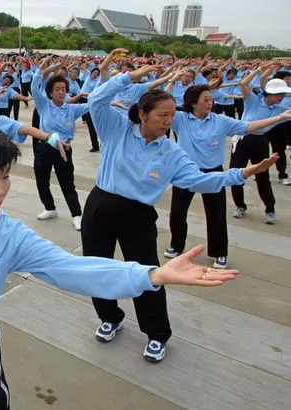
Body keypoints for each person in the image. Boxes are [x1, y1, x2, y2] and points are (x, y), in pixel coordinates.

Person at [0, 60, 239, 410]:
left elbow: (72, 269)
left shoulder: (10, 236)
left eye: (5, 177)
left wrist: (151, 275)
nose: (1, 190)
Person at [82, 60, 278, 363]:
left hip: (138, 216)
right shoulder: (117, 129)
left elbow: (202, 180)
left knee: (149, 276)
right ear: (143, 114)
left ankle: (157, 333)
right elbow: (96, 99)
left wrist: (242, 173)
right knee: (98, 268)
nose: (168, 121)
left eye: (172, 116)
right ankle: (110, 316)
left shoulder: (170, 153)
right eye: (162, 115)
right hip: (100, 206)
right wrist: (128, 77)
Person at [165, 83, 291, 269]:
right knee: (177, 212)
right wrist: (171, 78)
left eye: (211, 99)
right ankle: (176, 245)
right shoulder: (180, 119)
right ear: (193, 103)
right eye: (205, 100)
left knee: (216, 214)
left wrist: (279, 117)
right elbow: (160, 103)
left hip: (213, 172)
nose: (210, 103)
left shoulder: (220, 121)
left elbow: (249, 126)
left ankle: (219, 252)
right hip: (185, 171)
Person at [30, 58, 90, 230]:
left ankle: (76, 214)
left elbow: (92, 105)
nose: (61, 92)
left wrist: (109, 101)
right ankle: (49, 208)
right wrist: (44, 66)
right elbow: (35, 84)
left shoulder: (71, 109)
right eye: (57, 89)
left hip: (64, 150)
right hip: (44, 147)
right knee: (42, 179)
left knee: (67, 183)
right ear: (50, 92)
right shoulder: (44, 106)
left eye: (63, 89)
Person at [230, 67, 291, 224]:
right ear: (269, 93)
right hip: (242, 140)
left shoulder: (280, 110)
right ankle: (240, 205)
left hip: (260, 141)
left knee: (262, 176)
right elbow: (244, 83)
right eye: (279, 94)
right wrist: (258, 69)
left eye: (283, 95)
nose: (281, 97)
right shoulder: (253, 100)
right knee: (236, 174)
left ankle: (270, 209)